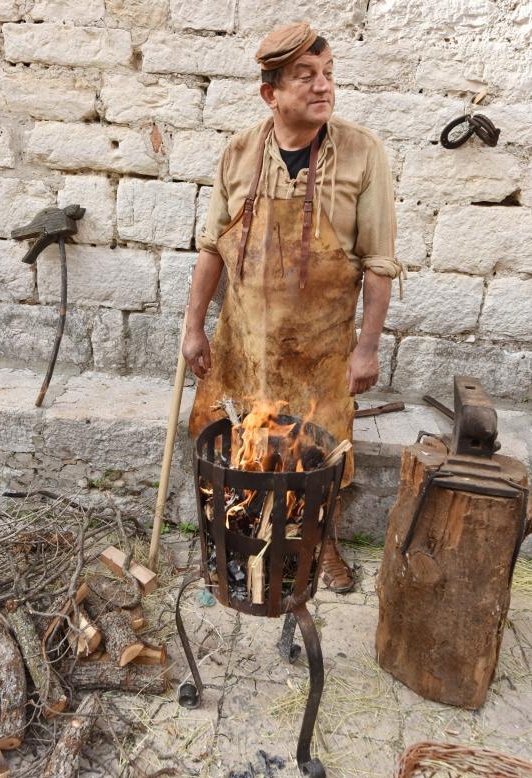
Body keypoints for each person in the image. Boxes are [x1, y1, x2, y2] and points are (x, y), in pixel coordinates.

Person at [182, 21, 402, 592]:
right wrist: (193, 328)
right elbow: (212, 249)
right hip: (244, 343)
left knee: (319, 454)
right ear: (270, 93)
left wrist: (367, 349)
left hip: (322, 350)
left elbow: (379, 264)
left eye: (328, 75)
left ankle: (318, 545)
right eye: (305, 76)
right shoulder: (237, 153)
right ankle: (242, 537)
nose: (322, 86)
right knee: (239, 444)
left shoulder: (362, 154)